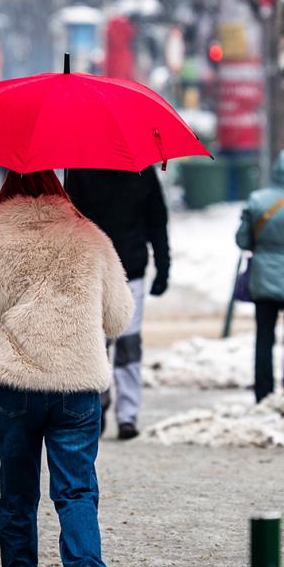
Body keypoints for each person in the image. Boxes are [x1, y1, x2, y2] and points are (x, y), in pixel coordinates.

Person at [0, 170, 134, 567]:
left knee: (17, 495)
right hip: (77, 388)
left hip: (15, 388)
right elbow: (119, 317)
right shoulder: (89, 237)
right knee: (76, 490)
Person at [64, 166, 170, 440]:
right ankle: (127, 416)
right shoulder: (142, 170)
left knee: (96, 343)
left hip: (93, 267)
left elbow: (69, 221)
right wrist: (162, 266)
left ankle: (97, 408)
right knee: (127, 344)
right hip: (126, 268)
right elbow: (157, 220)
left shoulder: (79, 168)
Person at [236, 149, 284, 402]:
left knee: (264, 337)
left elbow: (242, 240)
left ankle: (263, 391)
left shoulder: (257, 200)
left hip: (263, 278)